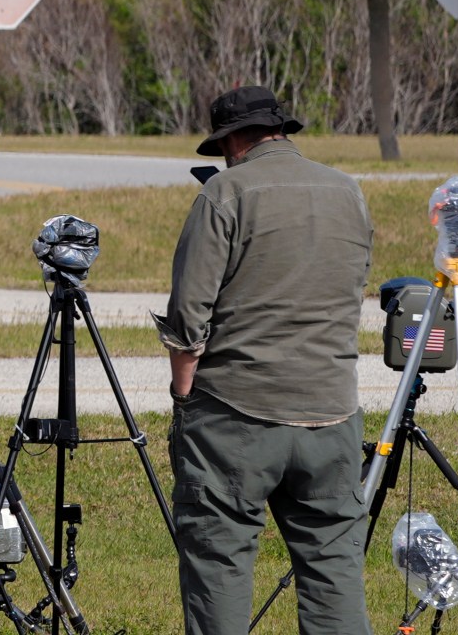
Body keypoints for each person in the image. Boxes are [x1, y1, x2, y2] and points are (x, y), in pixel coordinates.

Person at [155, 86, 374, 635]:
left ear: (231, 141)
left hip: (235, 413)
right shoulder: (349, 192)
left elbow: (188, 318)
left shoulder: (225, 194)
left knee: (219, 564)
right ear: (281, 130)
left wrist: (184, 400)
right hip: (333, 414)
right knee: (334, 571)